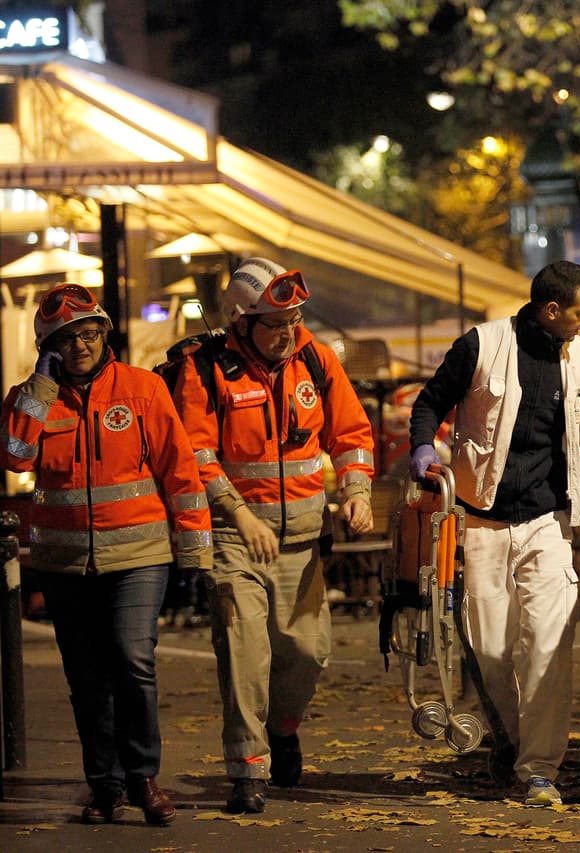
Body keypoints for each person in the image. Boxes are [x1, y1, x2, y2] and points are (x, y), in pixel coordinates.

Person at [406, 260, 580, 807]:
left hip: (548, 521)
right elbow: (429, 402)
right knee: (489, 648)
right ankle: (511, 741)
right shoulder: (480, 345)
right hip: (482, 519)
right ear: (551, 310)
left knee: (550, 642)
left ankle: (540, 770)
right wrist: (423, 445)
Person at [1, 283, 213, 826]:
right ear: (48, 347)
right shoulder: (31, 398)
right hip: (64, 564)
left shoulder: (143, 389)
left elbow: (179, 471)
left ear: (104, 334)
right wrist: (40, 388)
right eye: (65, 339)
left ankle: (143, 779)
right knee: (87, 678)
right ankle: (104, 786)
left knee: (132, 660)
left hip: (138, 557)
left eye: (88, 334)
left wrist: (195, 550)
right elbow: (15, 456)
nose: (80, 346)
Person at [171, 258, 375, 815]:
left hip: (302, 542)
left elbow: (351, 434)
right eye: (276, 323)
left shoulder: (316, 359)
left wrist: (356, 491)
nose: (288, 332)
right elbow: (197, 454)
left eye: (294, 319)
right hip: (235, 538)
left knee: (308, 652)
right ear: (241, 320)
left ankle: (283, 729)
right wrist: (240, 516)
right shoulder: (206, 369)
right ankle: (248, 770)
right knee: (244, 655)